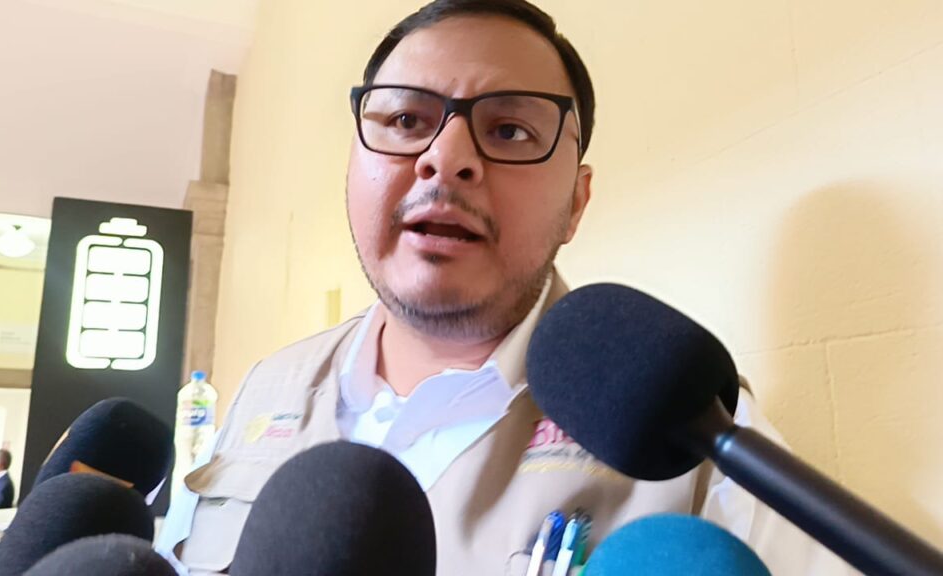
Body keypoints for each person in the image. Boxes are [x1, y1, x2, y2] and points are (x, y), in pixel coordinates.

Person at [158, 1, 855, 574]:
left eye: (511, 130)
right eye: (405, 120)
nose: (445, 158)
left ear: (576, 203)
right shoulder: (265, 389)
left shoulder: (693, 426)